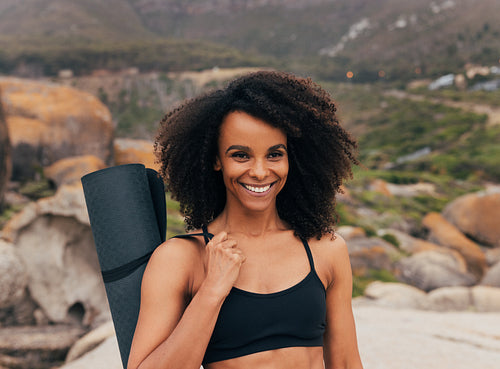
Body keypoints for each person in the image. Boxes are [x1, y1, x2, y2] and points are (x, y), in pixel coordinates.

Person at [127, 71, 363, 369]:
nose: (261, 172)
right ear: (216, 160)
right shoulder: (181, 259)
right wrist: (212, 291)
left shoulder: (326, 250)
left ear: (294, 158)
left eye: (275, 154)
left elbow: (345, 363)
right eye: (241, 155)